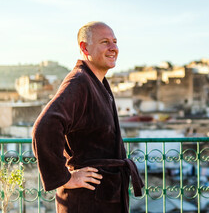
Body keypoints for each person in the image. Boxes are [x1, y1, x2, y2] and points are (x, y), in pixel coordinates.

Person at [32, 21, 143, 213]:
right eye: (104, 42)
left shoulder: (96, 82)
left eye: (115, 41)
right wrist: (65, 177)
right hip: (87, 200)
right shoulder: (79, 82)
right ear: (84, 47)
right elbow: (44, 127)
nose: (113, 48)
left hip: (103, 196)